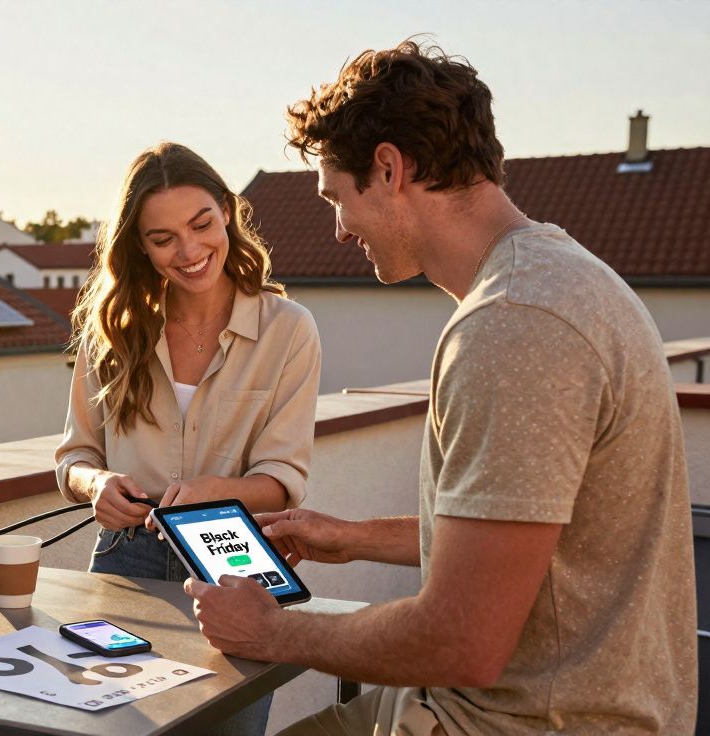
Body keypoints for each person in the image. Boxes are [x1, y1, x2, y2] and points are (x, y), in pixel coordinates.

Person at [184, 39, 697, 735]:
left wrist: (271, 632)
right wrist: (352, 536)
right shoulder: (557, 278)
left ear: (390, 168)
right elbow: (522, 543)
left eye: (338, 197)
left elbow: (463, 639)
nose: (337, 229)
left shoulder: (514, 326)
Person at [56, 141, 322, 735]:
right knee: (118, 725)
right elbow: (75, 455)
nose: (190, 250)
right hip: (125, 558)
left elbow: (284, 483)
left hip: (234, 560)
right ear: (140, 247)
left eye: (202, 224)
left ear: (227, 211)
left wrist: (212, 491)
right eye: (163, 238)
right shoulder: (115, 328)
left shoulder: (289, 331)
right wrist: (95, 485)